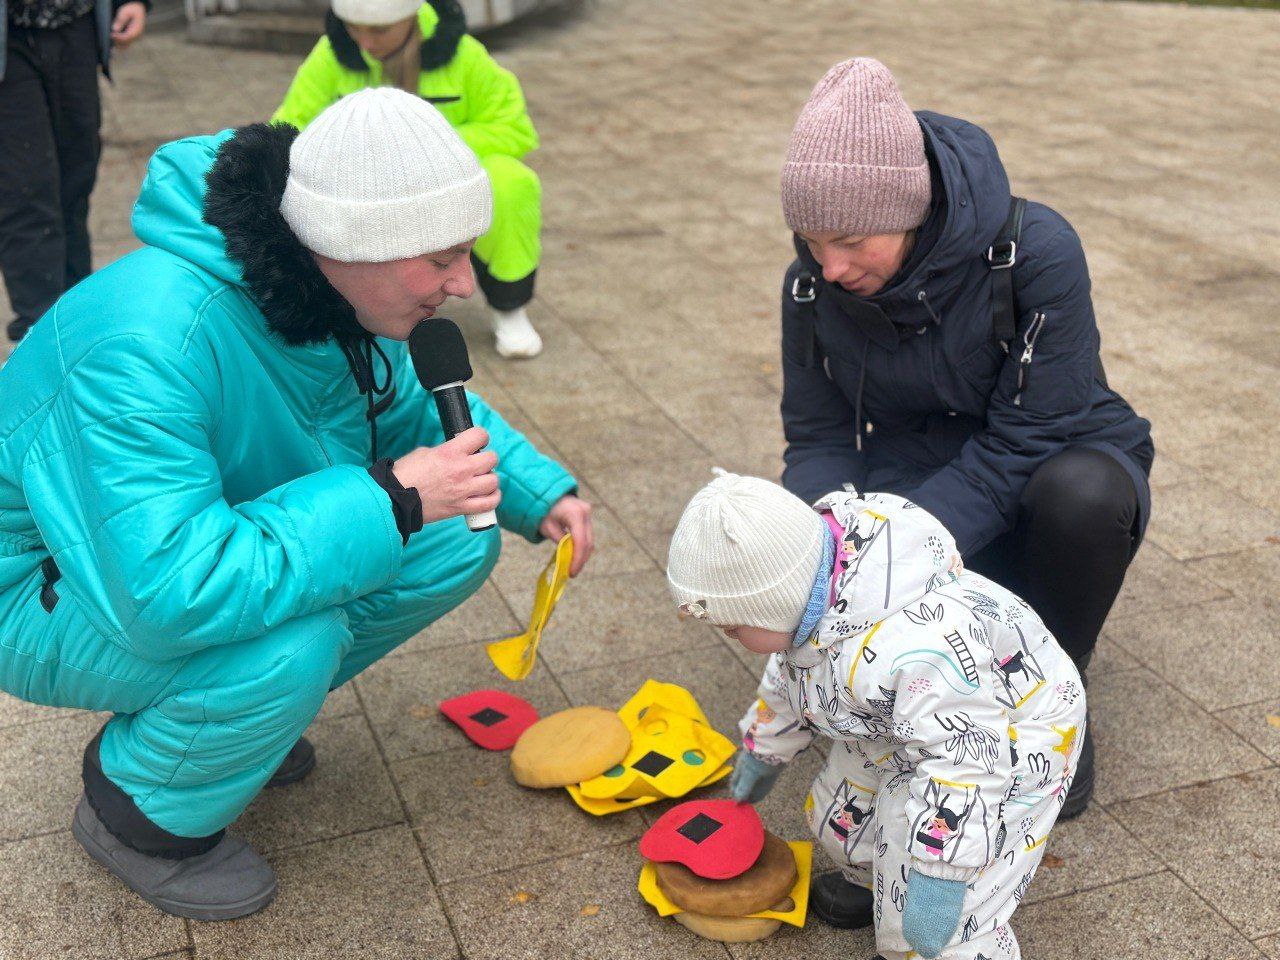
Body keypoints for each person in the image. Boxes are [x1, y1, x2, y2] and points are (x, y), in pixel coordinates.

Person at [0, 88, 593, 920]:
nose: (466, 282)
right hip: (46, 585)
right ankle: (136, 812)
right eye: (444, 257)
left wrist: (540, 492)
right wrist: (389, 498)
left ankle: (231, 723)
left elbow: (423, 405)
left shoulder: (324, 285)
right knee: (293, 642)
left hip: (171, 551)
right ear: (356, 244)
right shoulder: (141, 347)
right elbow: (165, 596)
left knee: (458, 533)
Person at [776, 58, 1154, 838]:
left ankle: (1058, 693)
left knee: (1081, 498)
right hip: (920, 467)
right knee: (879, 590)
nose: (829, 267)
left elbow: (1028, 437)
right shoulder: (812, 285)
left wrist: (893, 547)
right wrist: (825, 546)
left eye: (849, 241)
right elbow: (816, 435)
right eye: (811, 242)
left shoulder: (1036, 249)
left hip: (1057, 455)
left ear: (910, 213)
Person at [667, 472, 1085, 960]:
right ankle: (874, 884)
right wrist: (763, 752)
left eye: (735, 628)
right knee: (840, 818)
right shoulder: (809, 602)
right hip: (898, 726)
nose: (732, 638)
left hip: (1008, 737)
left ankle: (949, 935)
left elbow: (966, 762)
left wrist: (940, 873)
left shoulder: (916, 647)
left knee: (947, 918)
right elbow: (788, 682)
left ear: (776, 602)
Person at [272, 0, 544, 359]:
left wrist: (429, 154)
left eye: (379, 30)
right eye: (353, 28)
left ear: (411, 16)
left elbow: (514, 127)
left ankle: (509, 306)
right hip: (366, 188)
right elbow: (289, 130)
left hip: (450, 181)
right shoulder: (329, 54)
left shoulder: (464, 54)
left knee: (512, 183)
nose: (364, 42)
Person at [0, 0, 147, 342]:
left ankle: (78, 321)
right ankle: (40, 334)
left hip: (77, 25)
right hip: (10, 38)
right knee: (27, 186)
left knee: (76, 179)